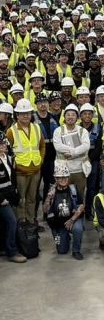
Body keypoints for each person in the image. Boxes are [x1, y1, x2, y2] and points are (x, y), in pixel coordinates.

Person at [7, 98, 45, 223]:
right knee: (21, 199)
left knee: (32, 198)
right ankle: (21, 222)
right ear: (17, 115)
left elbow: (42, 146)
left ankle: (31, 221)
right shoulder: (11, 131)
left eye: (28, 113)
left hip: (35, 170)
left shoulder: (36, 128)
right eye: (22, 113)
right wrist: (15, 166)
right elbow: (7, 152)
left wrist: (40, 160)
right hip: (20, 172)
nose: (25, 116)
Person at [43, 162, 85, 260]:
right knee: (61, 250)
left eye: (65, 177)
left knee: (78, 229)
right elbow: (45, 210)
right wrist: (49, 198)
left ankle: (76, 251)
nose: (63, 179)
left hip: (73, 219)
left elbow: (81, 206)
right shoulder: (51, 191)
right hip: (57, 225)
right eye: (60, 177)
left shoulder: (73, 189)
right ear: (56, 179)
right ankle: (64, 236)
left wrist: (72, 220)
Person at [52, 104, 91, 198]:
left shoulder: (82, 131)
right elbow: (58, 146)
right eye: (68, 114)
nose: (70, 117)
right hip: (63, 170)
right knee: (63, 197)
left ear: (77, 117)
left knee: (80, 196)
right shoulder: (58, 131)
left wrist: (72, 153)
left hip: (80, 169)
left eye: (73, 115)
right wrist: (75, 150)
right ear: (64, 117)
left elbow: (86, 146)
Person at [0, 131, 26, 263]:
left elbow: (12, 179)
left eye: (4, 142)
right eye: (1, 143)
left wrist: (15, 195)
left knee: (4, 223)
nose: (4, 145)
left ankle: (3, 248)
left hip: (9, 196)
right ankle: (12, 251)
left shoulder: (8, 158)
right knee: (12, 222)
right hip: (1, 199)